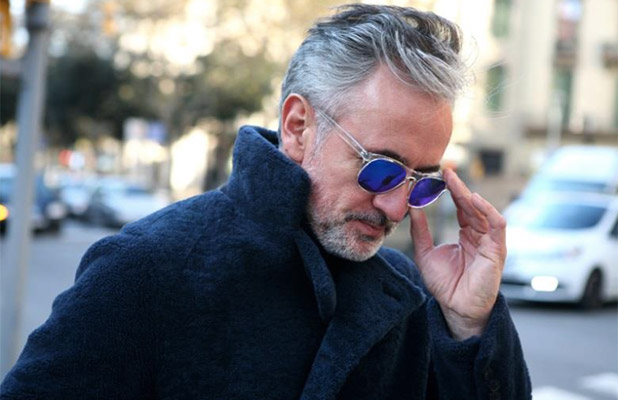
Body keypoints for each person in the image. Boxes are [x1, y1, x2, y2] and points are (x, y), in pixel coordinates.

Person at [1, 4, 531, 399]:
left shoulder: (411, 296)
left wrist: (469, 322)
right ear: (298, 126)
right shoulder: (147, 269)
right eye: (381, 169)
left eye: (421, 182)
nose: (397, 208)